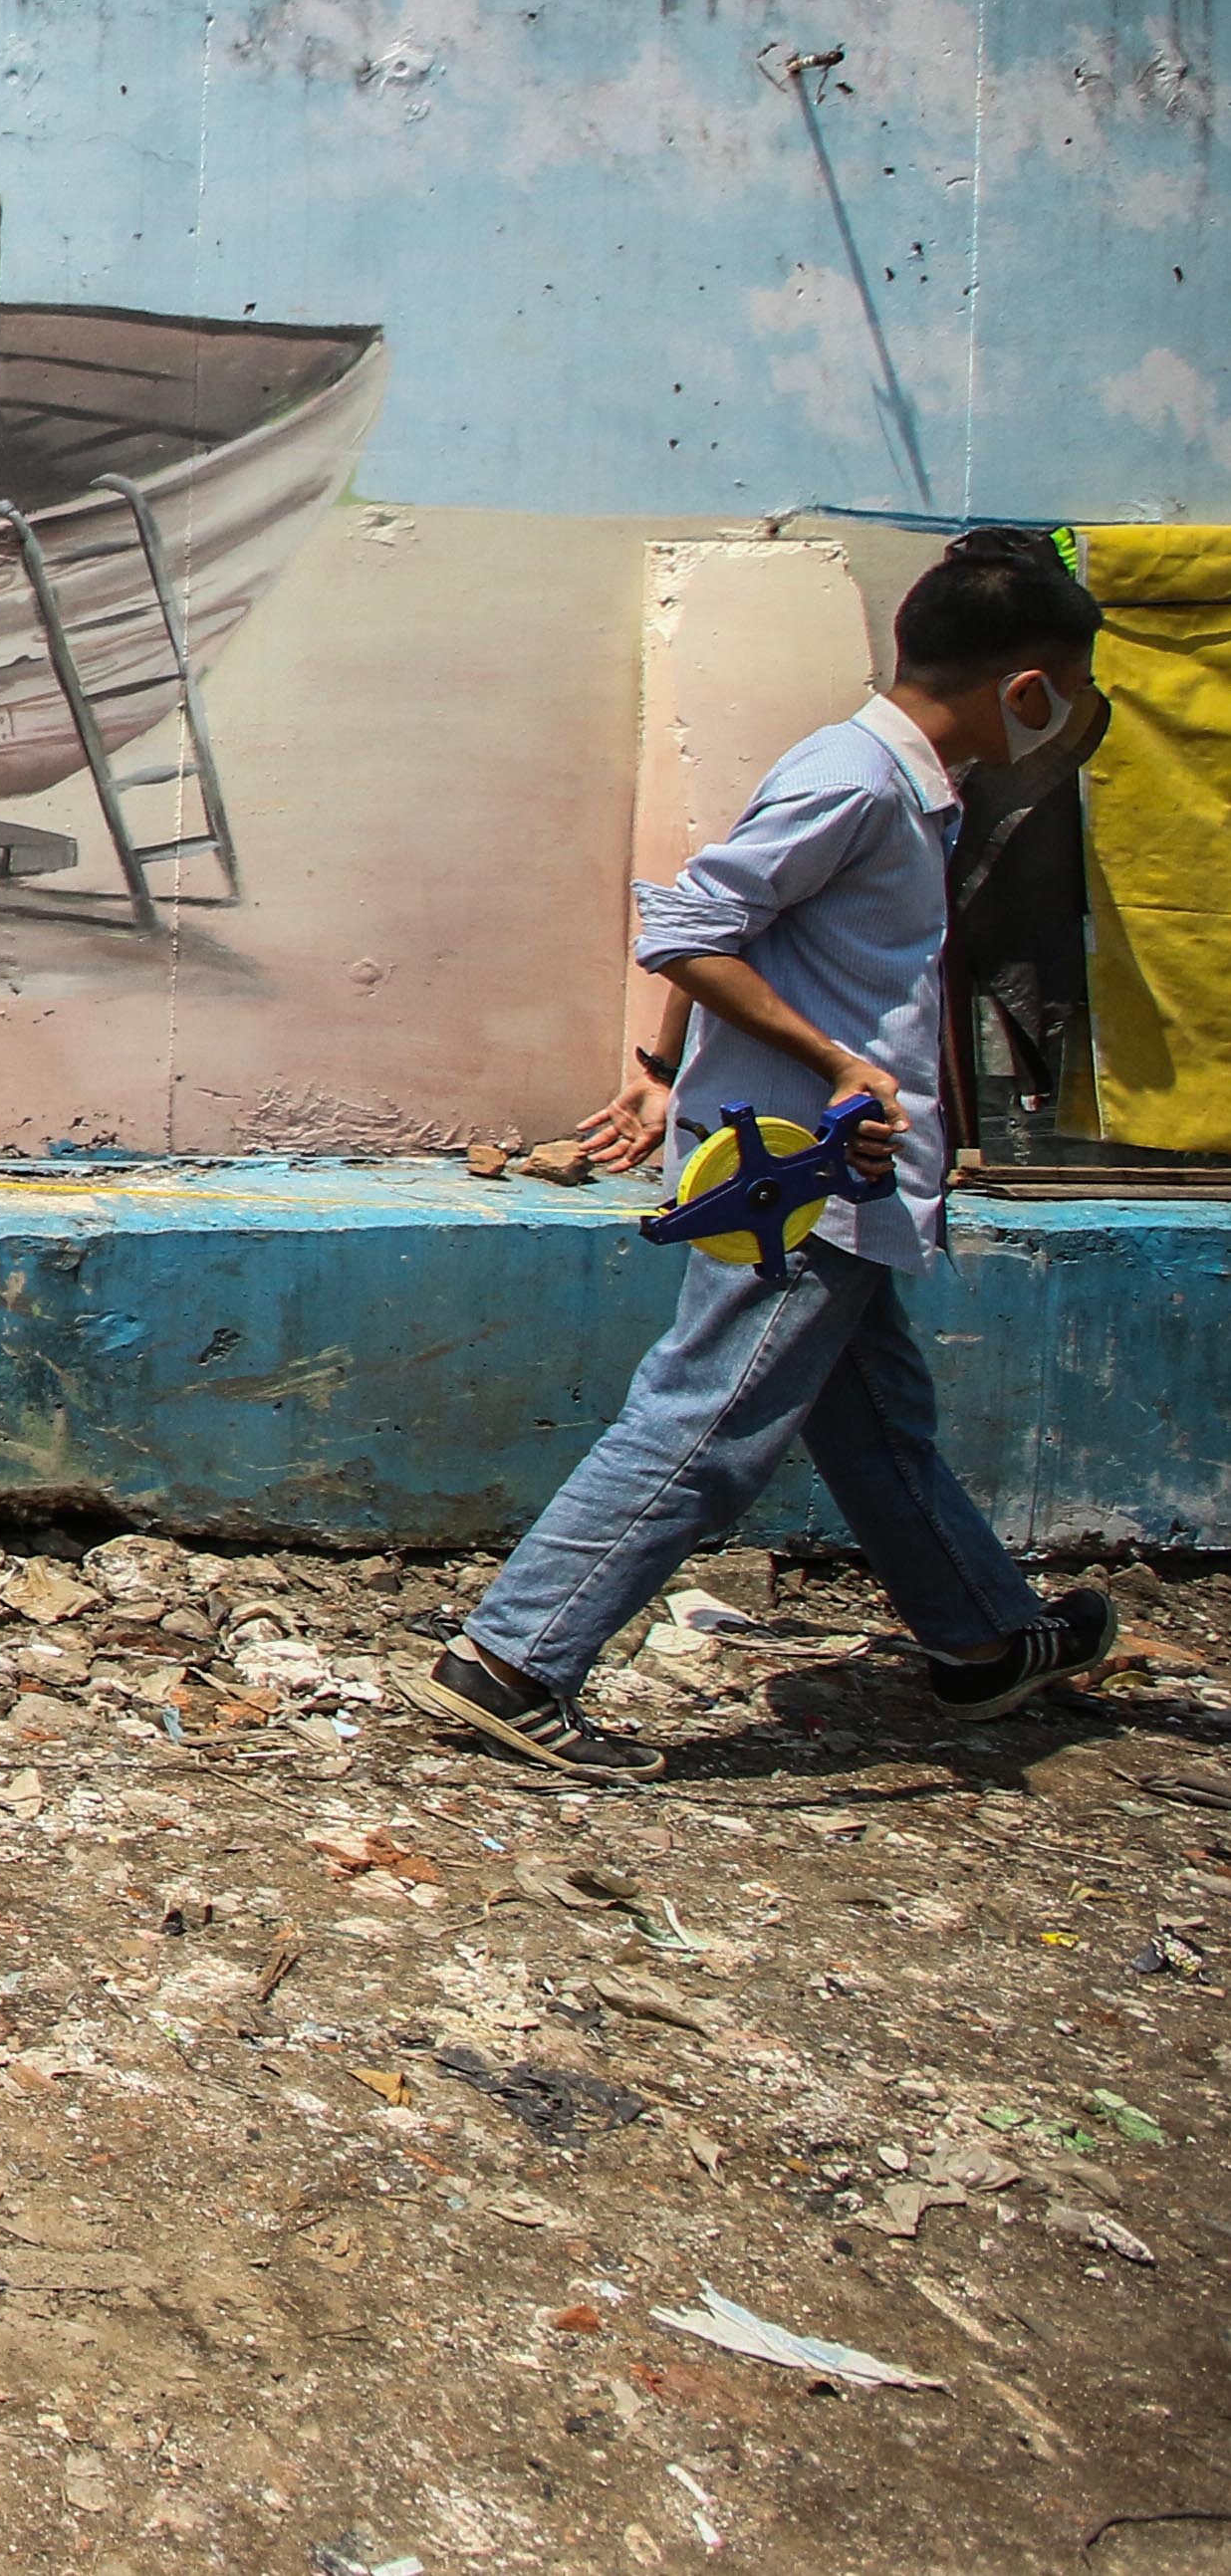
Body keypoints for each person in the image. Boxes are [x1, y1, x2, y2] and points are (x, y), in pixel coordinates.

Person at [423, 529, 1124, 1779]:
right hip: (803, 1173)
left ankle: (984, 1638)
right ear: (1027, 686)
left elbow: (739, 921)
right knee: (713, 1418)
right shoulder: (856, 779)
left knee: (872, 1418)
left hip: (831, 1169)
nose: (1071, 715)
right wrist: (835, 1060)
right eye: (1065, 687)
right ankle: (514, 1655)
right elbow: (691, 921)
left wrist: (665, 1066)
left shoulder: (897, 783)